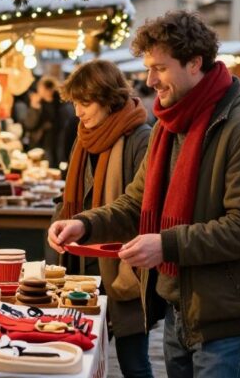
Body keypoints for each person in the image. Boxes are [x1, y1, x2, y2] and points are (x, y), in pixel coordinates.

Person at [48, 11, 240, 378]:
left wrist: (165, 245)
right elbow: (135, 203)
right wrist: (83, 224)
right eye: (148, 68)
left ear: (194, 63)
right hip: (178, 308)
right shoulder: (168, 126)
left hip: (228, 316)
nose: (149, 80)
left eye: (159, 68)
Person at [57, 59, 154, 377]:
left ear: (108, 97)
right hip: (83, 269)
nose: (78, 113)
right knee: (79, 359)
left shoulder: (141, 137)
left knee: (133, 363)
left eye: (84, 103)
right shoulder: (84, 137)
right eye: (75, 104)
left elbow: (142, 207)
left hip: (124, 266)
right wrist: (59, 225)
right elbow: (73, 198)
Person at [25, 76, 76, 166]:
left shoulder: (62, 104)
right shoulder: (39, 103)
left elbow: (64, 125)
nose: (38, 91)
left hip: (56, 143)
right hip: (41, 143)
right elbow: (29, 124)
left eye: (40, 88)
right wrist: (34, 107)